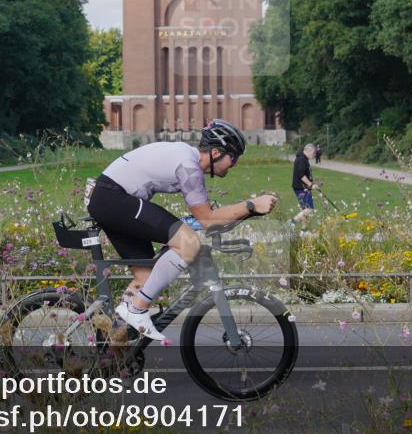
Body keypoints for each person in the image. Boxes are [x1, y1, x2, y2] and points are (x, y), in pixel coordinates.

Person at [86, 119, 278, 340]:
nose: (234, 164)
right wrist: (251, 205)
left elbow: (206, 217)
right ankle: (136, 310)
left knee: (145, 278)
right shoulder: (188, 166)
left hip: (110, 199)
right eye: (233, 157)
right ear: (216, 152)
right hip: (113, 198)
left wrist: (248, 212)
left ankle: (111, 347)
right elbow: (207, 219)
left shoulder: (187, 160)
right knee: (188, 242)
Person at [292, 143, 318, 226]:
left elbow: (305, 174)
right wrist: (311, 184)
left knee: (305, 210)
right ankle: (291, 223)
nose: (314, 155)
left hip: (304, 187)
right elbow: (301, 175)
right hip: (301, 188)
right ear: (309, 150)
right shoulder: (302, 159)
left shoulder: (304, 159)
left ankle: (304, 231)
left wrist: (312, 183)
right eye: (314, 153)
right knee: (309, 209)